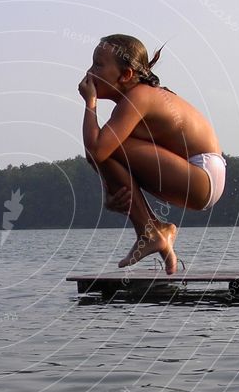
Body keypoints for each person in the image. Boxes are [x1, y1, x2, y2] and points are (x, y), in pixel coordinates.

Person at [79, 34, 225, 274]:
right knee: (106, 148)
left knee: (104, 148)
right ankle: (157, 232)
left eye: (98, 64)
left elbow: (96, 149)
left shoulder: (140, 96)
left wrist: (90, 102)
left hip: (202, 175)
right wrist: (110, 194)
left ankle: (149, 232)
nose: (89, 71)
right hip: (198, 176)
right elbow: (101, 154)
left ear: (125, 75)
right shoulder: (134, 99)